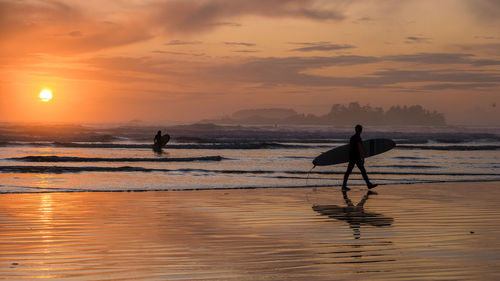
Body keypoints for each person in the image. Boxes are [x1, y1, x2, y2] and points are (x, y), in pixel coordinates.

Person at [342, 124, 377, 190]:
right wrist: (363, 158)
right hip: (356, 157)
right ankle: (368, 184)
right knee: (362, 170)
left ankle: (344, 185)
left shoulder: (352, 137)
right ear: (361, 130)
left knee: (349, 171)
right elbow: (360, 148)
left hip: (352, 156)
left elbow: (351, 147)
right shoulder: (358, 138)